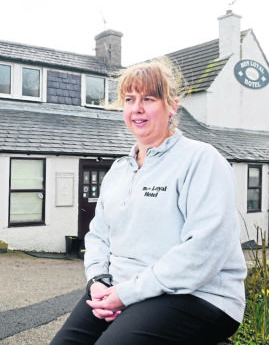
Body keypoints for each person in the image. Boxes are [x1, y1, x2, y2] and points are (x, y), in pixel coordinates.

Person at [50, 58, 247, 345]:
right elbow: (98, 236)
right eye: (129, 99)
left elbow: (204, 249)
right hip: (121, 289)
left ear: (172, 106)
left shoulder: (201, 161)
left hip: (197, 295)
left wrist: (127, 295)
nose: (137, 108)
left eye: (149, 98)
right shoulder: (118, 171)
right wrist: (98, 281)